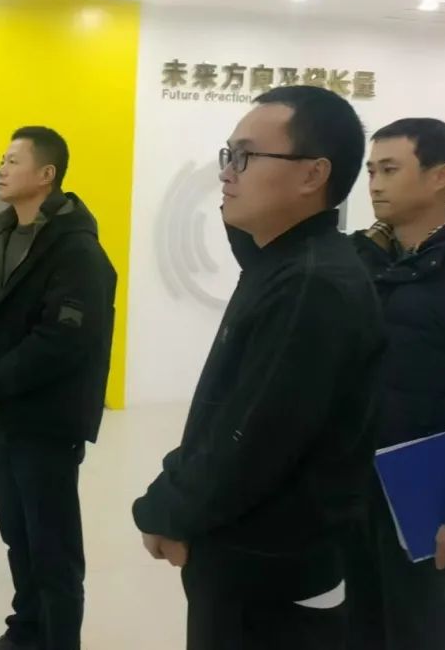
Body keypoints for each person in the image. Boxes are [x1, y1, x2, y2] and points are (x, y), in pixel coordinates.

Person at [132, 86, 385, 650]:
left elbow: (251, 438)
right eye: (228, 154)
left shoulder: (312, 285)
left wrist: (166, 510)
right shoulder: (286, 264)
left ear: (313, 174)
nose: (227, 173)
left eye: (245, 156)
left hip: (271, 579)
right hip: (254, 561)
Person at [0, 126, 117, 650]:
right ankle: (26, 631)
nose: (1, 169)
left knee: (53, 549)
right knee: (17, 535)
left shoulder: (77, 251)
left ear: (46, 174)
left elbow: (62, 340)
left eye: (13, 160)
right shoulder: (3, 237)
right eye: (2, 160)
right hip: (5, 414)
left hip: (48, 420)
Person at [346, 118, 445, 650]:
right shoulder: (360, 259)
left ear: (441, 177)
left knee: (419, 627)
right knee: (358, 622)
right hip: (353, 482)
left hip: (426, 490)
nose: (375, 184)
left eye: (390, 170)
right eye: (371, 171)